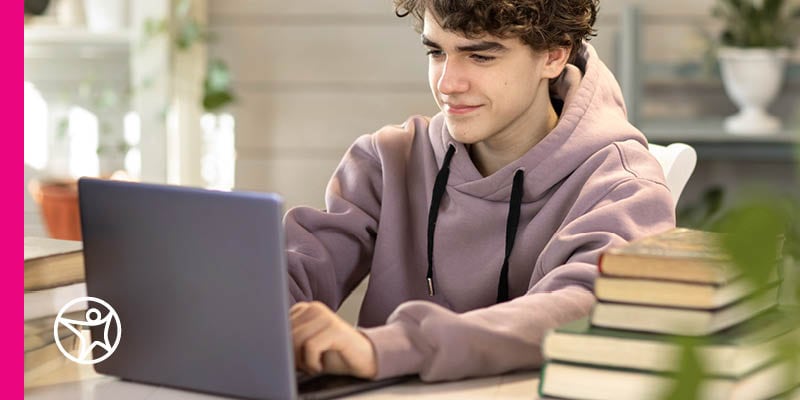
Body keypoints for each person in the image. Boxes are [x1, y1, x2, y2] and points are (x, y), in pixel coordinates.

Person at [286, 0, 675, 382]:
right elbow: (293, 270)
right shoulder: (388, 161)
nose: (447, 84)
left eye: (481, 56)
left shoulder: (624, 187)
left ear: (554, 56)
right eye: (437, 52)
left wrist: (389, 347)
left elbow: (582, 306)